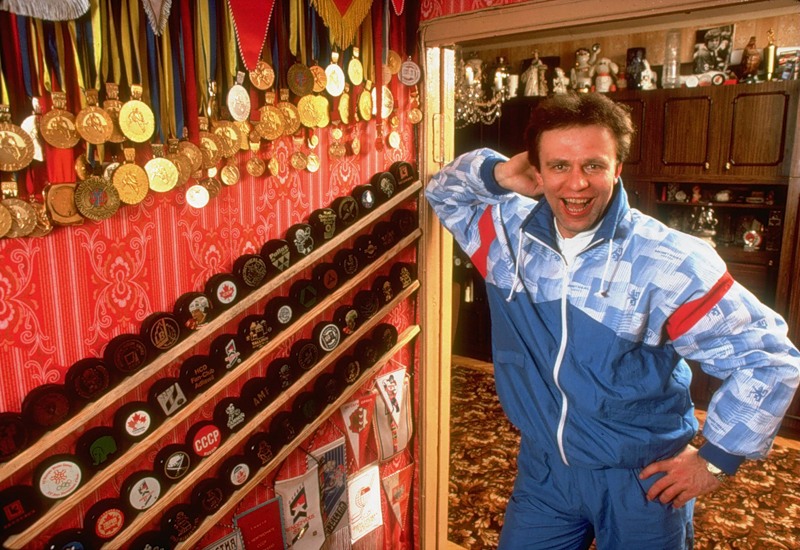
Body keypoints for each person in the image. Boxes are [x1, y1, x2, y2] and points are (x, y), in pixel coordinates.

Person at [426, 92, 800, 549]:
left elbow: (768, 359)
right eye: (559, 166)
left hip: (641, 481)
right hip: (544, 472)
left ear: (617, 168)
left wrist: (717, 460)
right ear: (536, 171)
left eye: (594, 165)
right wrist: (500, 173)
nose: (577, 183)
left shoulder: (669, 261)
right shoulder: (507, 237)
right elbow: (442, 192)